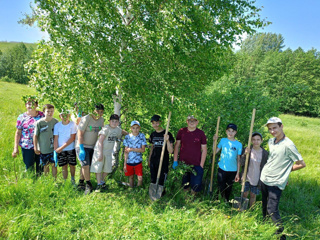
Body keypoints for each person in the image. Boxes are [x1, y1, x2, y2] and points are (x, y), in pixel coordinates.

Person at [260, 117, 306, 239]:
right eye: (270, 129)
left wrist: (285, 171)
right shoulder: (271, 141)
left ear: (281, 126)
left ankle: (281, 235)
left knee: (272, 209)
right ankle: (264, 226)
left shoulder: (288, 145)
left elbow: (301, 164)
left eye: (275, 128)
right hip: (264, 178)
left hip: (276, 181)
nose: (272, 131)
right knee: (264, 204)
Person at [90, 114, 127, 192]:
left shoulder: (117, 129)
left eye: (116, 121)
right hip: (100, 151)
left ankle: (102, 181)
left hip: (108, 152)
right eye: (112, 121)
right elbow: (100, 141)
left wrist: (132, 134)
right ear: (109, 121)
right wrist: (100, 154)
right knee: (98, 168)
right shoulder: (106, 129)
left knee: (107, 169)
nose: (114, 123)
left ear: (118, 122)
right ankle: (99, 184)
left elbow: (123, 132)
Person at [173, 115, 207, 194]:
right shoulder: (182, 131)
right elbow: (177, 146)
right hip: (183, 163)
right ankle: (185, 201)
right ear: (187, 122)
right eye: (190, 121)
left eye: (194, 121)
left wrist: (201, 165)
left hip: (196, 164)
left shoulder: (200, 133)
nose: (192, 122)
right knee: (185, 185)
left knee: (195, 186)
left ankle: (192, 202)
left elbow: (204, 150)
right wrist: (175, 161)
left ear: (197, 122)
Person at [76, 103, 105, 195]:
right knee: (85, 165)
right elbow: (80, 132)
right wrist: (81, 148)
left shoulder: (101, 120)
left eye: (101, 112)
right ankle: (88, 185)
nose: (99, 114)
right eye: (97, 111)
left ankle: (81, 182)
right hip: (82, 145)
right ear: (93, 110)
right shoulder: (87, 118)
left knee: (85, 165)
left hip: (93, 146)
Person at [12, 95, 44, 175]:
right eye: (28, 104)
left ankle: (41, 183)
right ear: (26, 105)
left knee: (41, 166)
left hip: (41, 145)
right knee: (29, 166)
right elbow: (18, 133)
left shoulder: (42, 116)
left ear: (36, 105)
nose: (30, 106)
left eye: (33, 103)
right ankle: (31, 181)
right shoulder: (21, 117)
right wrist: (15, 147)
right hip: (26, 145)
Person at [240, 132, 268, 207]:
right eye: (254, 140)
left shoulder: (265, 153)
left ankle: (250, 210)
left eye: (258, 140)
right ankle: (242, 208)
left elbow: (266, 167)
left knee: (253, 195)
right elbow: (241, 163)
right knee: (244, 193)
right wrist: (245, 154)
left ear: (261, 141)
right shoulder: (248, 150)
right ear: (251, 141)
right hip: (246, 177)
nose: (256, 142)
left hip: (257, 178)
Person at [215, 123, 242, 202]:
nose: (230, 133)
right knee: (220, 186)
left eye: (232, 131)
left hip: (233, 170)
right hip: (222, 168)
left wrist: (237, 173)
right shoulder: (223, 140)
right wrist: (214, 141)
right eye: (229, 131)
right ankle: (217, 201)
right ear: (226, 131)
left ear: (235, 132)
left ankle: (226, 201)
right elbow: (215, 152)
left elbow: (239, 159)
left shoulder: (239, 144)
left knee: (229, 187)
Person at [148, 115, 174, 193]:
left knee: (162, 179)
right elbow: (152, 148)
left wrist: (167, 140)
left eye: (157, 123)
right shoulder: (153, 134)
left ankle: (161, 194)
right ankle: (153, 193)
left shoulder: (167, 134)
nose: (155, 125)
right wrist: (149, 159)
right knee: (153, 178)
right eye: (153, 123)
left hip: (163, 161)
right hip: (154, 160)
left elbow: (171, 151)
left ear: (160, 122)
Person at [33, 104, 59, 177]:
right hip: (43, 148)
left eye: (52, 111)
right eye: (48, 111)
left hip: (53, 148)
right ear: (44, 112)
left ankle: (55, 180)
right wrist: (35, 147)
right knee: (46, 165)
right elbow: (35, 136)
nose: (50, 113)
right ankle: (47, 180)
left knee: (54, 165)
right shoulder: (39, 123)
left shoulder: (56, 122)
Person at [53, 110, 77, 183]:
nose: (64, 117)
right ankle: (65, 181)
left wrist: (61, 148)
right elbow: (56, 139)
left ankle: (72, 179)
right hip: (60, 150)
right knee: (64, 166)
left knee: (72, 165)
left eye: (66, 115)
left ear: (69, 116)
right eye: (62, 115)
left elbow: (72, 138)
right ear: (60, 116)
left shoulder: (73, 124)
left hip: (71, 148)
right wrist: (55, 150)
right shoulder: (57, 125)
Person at [123, 120, 147, 188]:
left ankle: (138, 191)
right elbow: (126, 151)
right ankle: (131, 189)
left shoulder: (142, 136)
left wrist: (132, 149)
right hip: (129, 161)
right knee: (131, 177)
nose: (135, 129)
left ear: (139, 128)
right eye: (133, 128)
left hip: (138, 161)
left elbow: (143, 150)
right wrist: (125, 164)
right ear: (131, 128)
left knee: (140, 177)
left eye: (137, 127)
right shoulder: (127, 137)